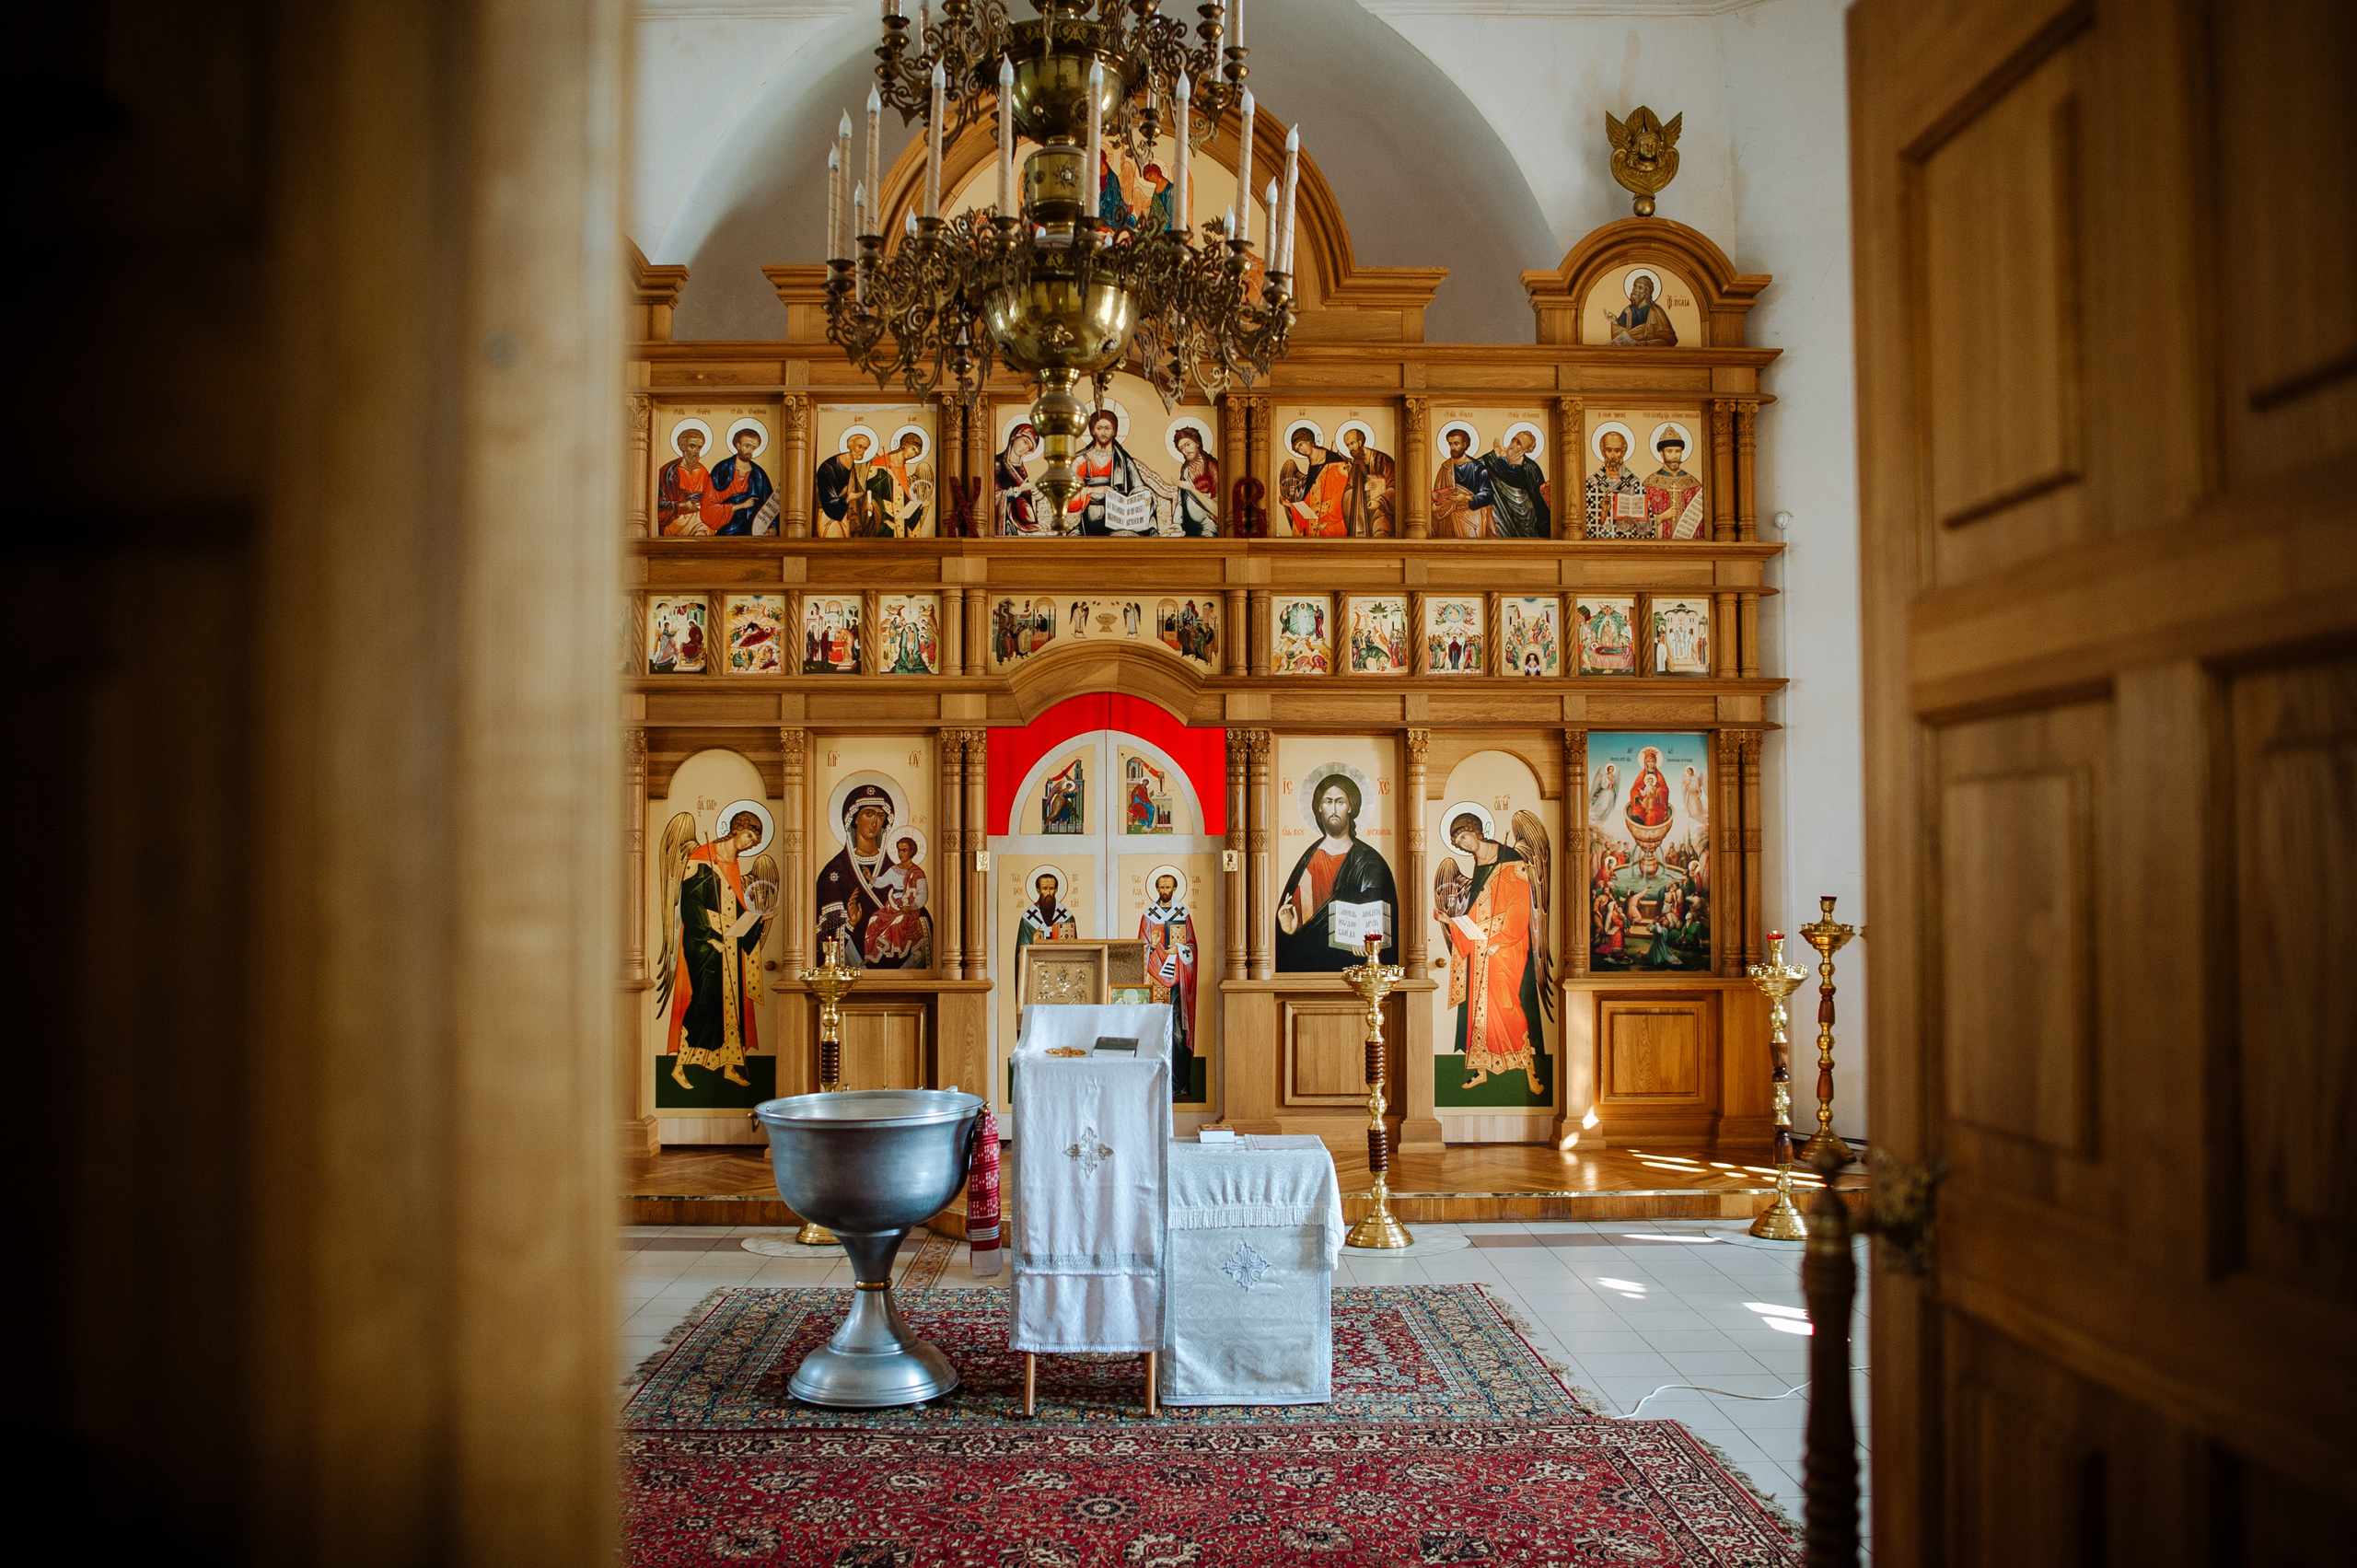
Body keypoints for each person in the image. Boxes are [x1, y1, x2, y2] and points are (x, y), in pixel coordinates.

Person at [1436, 810, 1547, 1093]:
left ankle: (1529, 1073)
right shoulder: (1479, 864)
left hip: (1507, 948)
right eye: (1458, 841)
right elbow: (1475, 912)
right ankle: (1481, 1070)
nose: (1462, 843)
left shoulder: (1512, 860)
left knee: (1509, 1007)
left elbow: (1520, 906)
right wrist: (1449, 921)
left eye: (1464, 836)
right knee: (1478, 1011)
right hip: (1482, 948)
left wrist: (1502, 939)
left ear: (1477, 831)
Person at [666, 811, 772, 1087]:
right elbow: (691, 905)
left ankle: (729, 1065)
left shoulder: (732, 864)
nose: (749, 844)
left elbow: (735, 908)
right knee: (705, 1000)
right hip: (704, 944)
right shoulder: (702, 857)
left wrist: (758, 918)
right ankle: (681, 1064)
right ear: (736, 829)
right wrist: (709, 938)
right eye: (749, 836)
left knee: (731, 1004)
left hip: (730, 944)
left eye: (755, 841)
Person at [1275, 773, 1399, 971]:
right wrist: (1288, 929)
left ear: (1350, 807)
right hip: (1306, 970)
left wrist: (1368, 939)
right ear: (1319, 807)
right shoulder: (1309, 859)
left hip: (1353, 967)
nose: (1333, 809)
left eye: (1340, 802)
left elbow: (1381, 913)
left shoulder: (1369, 859)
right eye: (1328, 802)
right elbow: (1296, 927)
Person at [1069, 408, 1177, 536]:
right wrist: (1094, 490)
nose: (1103, 432)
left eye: (1107, 428)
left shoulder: (1124, 460)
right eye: (1099, 428)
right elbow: (1068, 497)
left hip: (1120, 521)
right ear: (1092, 431)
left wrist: (1146, 497)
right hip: (1092, 523)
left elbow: (1138, 486)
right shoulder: (1081, 460)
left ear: (1114, 431)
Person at [1138, 872, 1198, 1096]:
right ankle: (1154, 1084)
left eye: (1168, 887)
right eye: (1161, 887)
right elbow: (1141, 947)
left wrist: (1179, 949)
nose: (1165, 891)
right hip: (1154, 978)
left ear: (1174, 889)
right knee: (1155, 1030)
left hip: (1178, 982)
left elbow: (1192, 946)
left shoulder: (1183, 913)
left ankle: (1179, 1085)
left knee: (1178, 1034)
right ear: (1157, 889)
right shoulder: (1149, 915)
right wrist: (1152, 946)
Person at [863, 833, 931, 967]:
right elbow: (882, 882)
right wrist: (870, 878)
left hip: (909, 909)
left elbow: (923, 895)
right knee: (873, 919)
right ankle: (871, 955)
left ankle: (891, 954)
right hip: (892, 907)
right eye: (899, 850)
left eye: (904, 850)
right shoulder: (894, 869)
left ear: (912, 852)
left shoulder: (918, 873)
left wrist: (911, 906)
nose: (900, 853)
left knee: (897, 922)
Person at [1475, 428, 1552, 539]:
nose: (1513, 445)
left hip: (1524, 518)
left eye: (1519, 443)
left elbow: (1539, 500)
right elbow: (1475, 468)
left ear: (1527, 450)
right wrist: (1493, 455)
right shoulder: (1497, 461)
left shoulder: (1531, 468)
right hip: (1500, 516)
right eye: (1513, 440)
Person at [707, 426, 778, 536]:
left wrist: (773, 527)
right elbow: (709, 506)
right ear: (738, 445)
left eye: (754, 448)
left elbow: (770, 504)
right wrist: (742, 505)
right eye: (747, 446)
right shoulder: (721, 469)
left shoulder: (759, 474)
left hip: (754, 527)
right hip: (728, 527)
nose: (750, 451)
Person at [656, 426, 726, 536]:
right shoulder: (668, 472)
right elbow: (658, 505)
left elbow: (710, 499)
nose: (696, 451)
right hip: (676, 520)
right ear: (683, 446)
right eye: (692, 446)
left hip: (700, 517)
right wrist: (684, 505)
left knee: (703, 525)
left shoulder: (703, 471)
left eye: (699, 447)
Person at [1584, 429, 1649, 538]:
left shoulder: (1635, 484)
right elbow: (1585, 528)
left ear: (1623, 452)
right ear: (1602, 451)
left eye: (1617, 451)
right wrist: (1603, 514)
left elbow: (1647, 531)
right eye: (1609, 450)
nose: (1613, 456)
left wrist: (1632, 524)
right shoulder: (1591, 485)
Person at [1430, 426, 1493, 538]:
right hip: (1448, 517)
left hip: (1472, 518)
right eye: (1450, 444)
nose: (1452, 447)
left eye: (1456, 443)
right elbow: (1436, 494)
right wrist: (1434, 506)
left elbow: (1488, 495)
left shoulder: (1478, 468)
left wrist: (1466, 498)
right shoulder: (1445, 468)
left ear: (1464, 445)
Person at [1643, 433, 1707, 539]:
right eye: (1669, 451)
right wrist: (1661, 517)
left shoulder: (1693, 484)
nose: (1674, 456)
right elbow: (1640, 522)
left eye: (1678, 451)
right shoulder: (1649, 484)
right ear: (1661, 454)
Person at [815, 432, 877, 538]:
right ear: (850, 445)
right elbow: (827, 500)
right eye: (860, 446)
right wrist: (848, 499)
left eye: (865, 449)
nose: (862, 451)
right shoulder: (828, 466)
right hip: (828, 517)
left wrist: (870, 506)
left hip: (846, 515)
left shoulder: (854, 469)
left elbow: (858, 499)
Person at [1340, 425, 1397, 537]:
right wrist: (1362, 489)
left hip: (1382, 511)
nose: (1350, 448)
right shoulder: (1356, 465)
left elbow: (1395, 486)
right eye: (1347, 445)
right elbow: (1348, 492)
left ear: (1360, 442)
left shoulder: (1384, 460)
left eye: (1352, 443)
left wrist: (1380, 501)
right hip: (1362, 514)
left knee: (1382, 533)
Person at [996, 423, 1047, 535]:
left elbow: (1025, 504)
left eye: (1029, 448)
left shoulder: (1023, 473)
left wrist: (1035, 495)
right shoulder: (997, 464)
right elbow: (992, 498)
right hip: (1006, 523)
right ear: (1015, 436)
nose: (1024, 449)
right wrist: (1018, 490)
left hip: (1021, 524)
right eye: (1025, 442)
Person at [1604, 271, 1678, 346]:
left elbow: (1669, 339)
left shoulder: (1656, 311)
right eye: (1635, 286)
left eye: (1640, 288)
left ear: (1647, 292)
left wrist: (1641, 344)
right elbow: (1618, 337)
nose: (1636, 290)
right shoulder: (1628, 311)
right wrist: (1615, 322)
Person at [1171, 424, 1220, 536]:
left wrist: (1191, 489)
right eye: (1181, 448)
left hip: (1209, 524)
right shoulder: (1185, 471)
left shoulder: (1211, 467)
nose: (1185, 450)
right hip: (1189, 526)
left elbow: (1217, 510)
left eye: (1188, 444)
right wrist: (1175, 526)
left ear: (1197, 443)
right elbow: (1180, 502)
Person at [1016, 871, 1079, 948]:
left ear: (1056, 890)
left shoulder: (1066, 917)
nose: (1048, 893)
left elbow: (1073, 951)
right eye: (1045, 889)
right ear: (1038, 891)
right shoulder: (1028, 919)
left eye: (1051, 889)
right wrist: (1034, 943)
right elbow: (1021, 954)